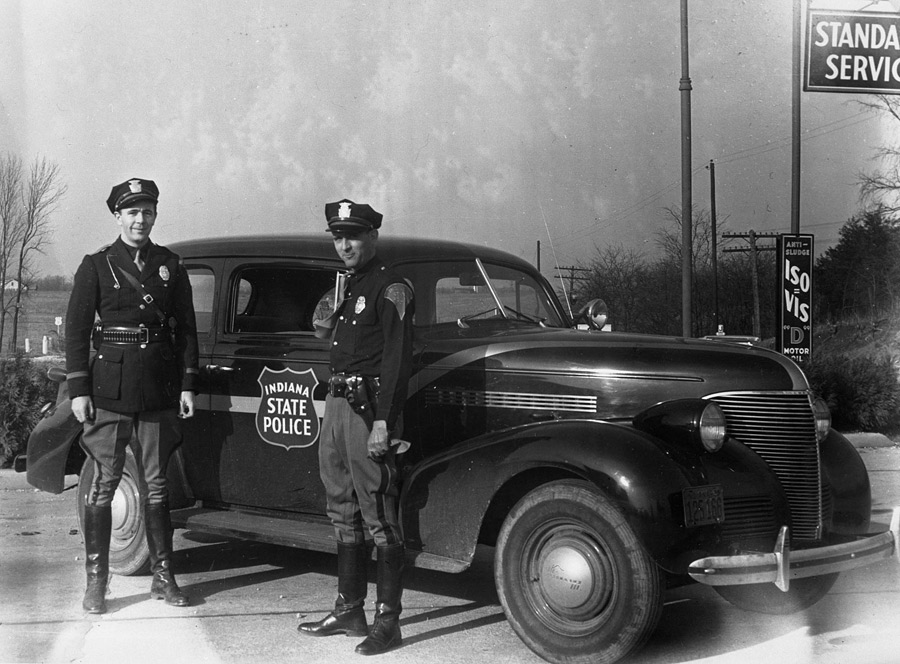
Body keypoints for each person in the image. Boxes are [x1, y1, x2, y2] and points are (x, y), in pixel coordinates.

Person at [66, 178, 200, 614]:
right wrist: (79, 389)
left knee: (157, 483)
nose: (140, 219)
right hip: (110, 389)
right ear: (118, 216)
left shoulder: (170, 265)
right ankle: (97, 583)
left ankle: (164, 578)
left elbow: (186, 329)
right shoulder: (96, 265)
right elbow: (77, 331)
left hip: (159, 387)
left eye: (147, 211)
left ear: (155, 215)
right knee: (105, 483)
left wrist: (187, 383)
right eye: (132, 212)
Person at [298, 199, 414, 656]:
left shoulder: (392, 286)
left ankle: (389, 622)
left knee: (379, 515)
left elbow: (397, 359)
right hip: (338, 404)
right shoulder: (348, 283)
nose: (344, 244)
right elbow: (320, 330)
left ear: (373, 237)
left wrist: (384, 420)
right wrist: (338, 292)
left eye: (354, 235)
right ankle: (349, 609)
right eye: (338, 236)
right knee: (340, 505)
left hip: (371, 410)